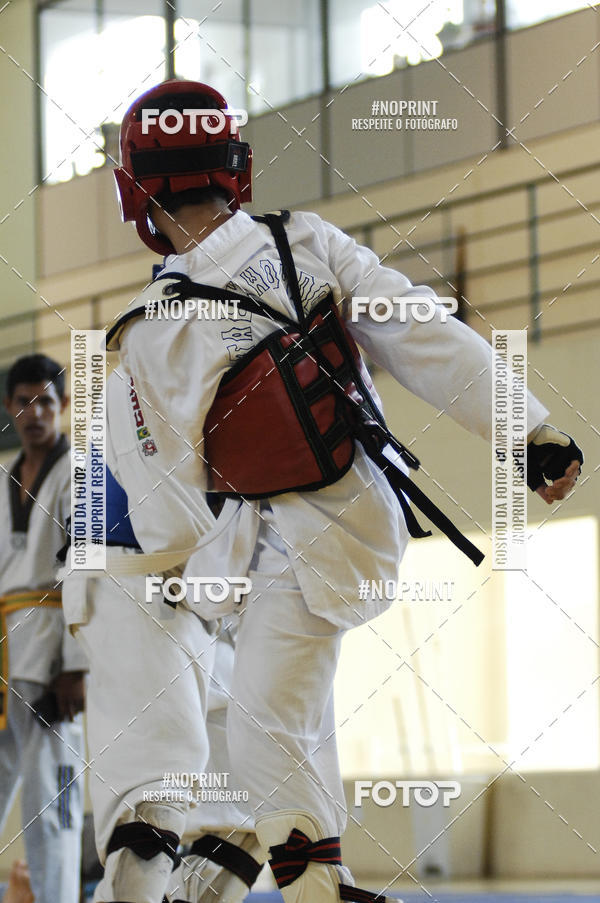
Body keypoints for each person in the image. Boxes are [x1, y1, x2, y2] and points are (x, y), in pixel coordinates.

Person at [105, 78, 583, 903]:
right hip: (366, 521)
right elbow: (419, 331)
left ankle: (322, 887)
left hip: (283, 558)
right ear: (237, 167)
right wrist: (528, 430)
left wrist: (177, 585)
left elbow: (162, 503)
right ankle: (215, 878)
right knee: (275, 721)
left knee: (261, 729)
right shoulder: (306, 242)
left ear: (133, 187)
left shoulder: (154, 330)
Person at [60, 368, 264, 903]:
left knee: (252, 800)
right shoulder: (170, 341)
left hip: (216, 597)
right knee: (160, 783)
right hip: (132, 568)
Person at [0, 354, 86, 903]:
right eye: (23, 402)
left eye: (45, 402)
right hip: (5, 652)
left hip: (52, 654)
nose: (34, 414)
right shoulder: (3, 477)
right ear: (9, 409)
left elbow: (89, 569)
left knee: (50, 809)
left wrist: (78, 665)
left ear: (63, 407)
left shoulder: (84, 474)